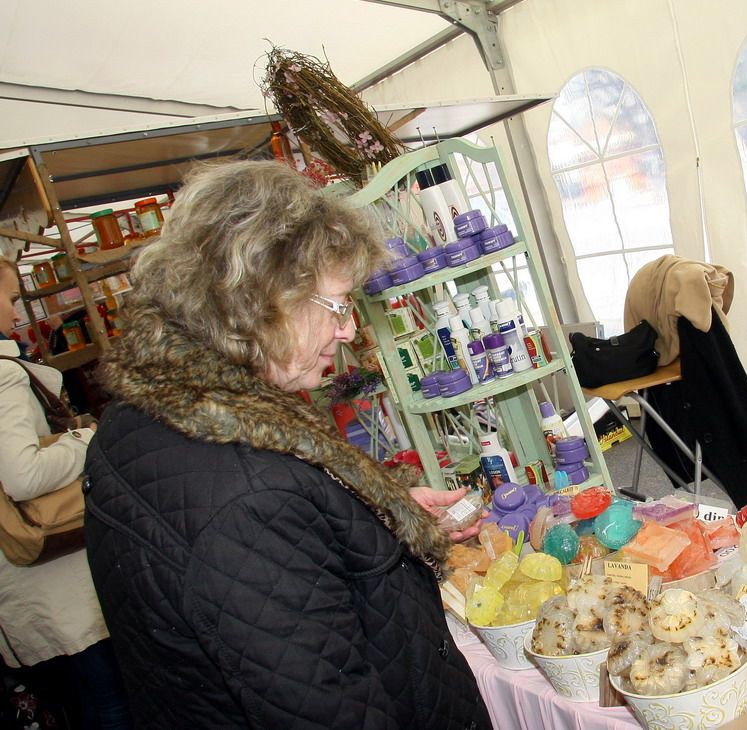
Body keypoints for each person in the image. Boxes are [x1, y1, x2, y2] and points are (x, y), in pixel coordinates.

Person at [84, 161, 492, 728]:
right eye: (338, 305)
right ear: (261, 298)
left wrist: (377, 514)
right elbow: (325, 703)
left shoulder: (145, 418)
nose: (348, 329)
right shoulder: (248, 497)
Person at [0, 258, 132, 728]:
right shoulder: (4, 375)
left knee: (83, 698)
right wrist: (83, 438)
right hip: (52, 571)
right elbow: (23, 475)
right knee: (110, 698)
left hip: (21, 576)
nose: (16, 313)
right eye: (9, 299)